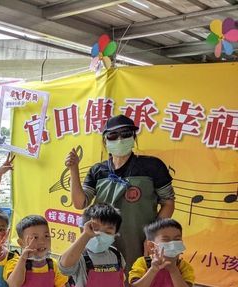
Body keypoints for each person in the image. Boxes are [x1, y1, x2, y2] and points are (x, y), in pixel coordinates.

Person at [65, 114, 175, 269]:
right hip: (101, 238)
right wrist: (73, 170)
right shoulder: (98, 170)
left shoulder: (152, 167)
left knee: (136, 277)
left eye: (126, 134)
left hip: (137, 237)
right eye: (113, 135)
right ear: (105, 140)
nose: (120, 139)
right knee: (103, 278)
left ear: (134, 136)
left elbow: (168, 202)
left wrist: (153, 234)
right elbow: (80, 203)